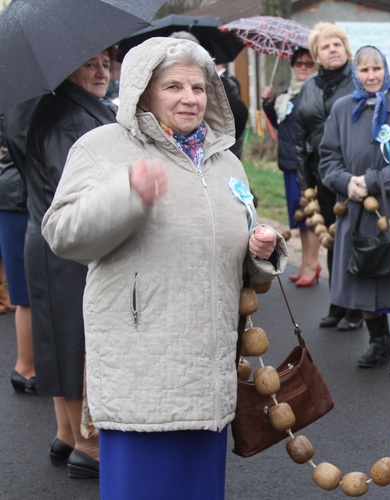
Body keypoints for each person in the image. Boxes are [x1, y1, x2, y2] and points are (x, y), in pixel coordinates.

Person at [41, 37, 287, 499]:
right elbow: (63, 235)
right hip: (142, 368)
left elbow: (241, 250)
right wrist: (127, 195)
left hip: (208, 370)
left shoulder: (224, 160)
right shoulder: (103, 147)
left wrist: (262, 248)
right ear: (143, 91)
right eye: (173, 86)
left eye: (198, 87)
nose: (190, 98)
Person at [23, 48, 118, 477]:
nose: (101, 71)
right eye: (89, 64)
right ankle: (88, 444)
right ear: (67, 68)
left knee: (60, 337)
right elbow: (77, 192)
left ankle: (66, 433)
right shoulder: (70, 117)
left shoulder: (59, 106)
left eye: (105, 62)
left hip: (46, 241)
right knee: (75, 340)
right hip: (67, 245)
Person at [319, 46, 390, 374]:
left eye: (376, 69)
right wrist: (344, 182)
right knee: (363, 278)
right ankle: (377, 340)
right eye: (364, 70)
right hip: (356, 212)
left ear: (386, 69)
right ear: (356, 73)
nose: (371, 76)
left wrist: (372, 180)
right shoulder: (342, 109)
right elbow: (327, 158)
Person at [295, 22, 363, 329]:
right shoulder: (309, 86)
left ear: (347, 50)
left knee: (354, 240)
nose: (332, 49)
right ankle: (337, 303)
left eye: (338, 44)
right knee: (332, 240)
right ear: (317, 56)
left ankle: (357, 308)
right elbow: (301, 133)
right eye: (325, 46)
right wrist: (303, 178)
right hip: (319, 173)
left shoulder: (359, 80)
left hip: (352, 174)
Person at [261, 48, 321, 287]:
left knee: (310, 217)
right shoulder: (288, 95)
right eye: (299, 63)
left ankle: (312, 264)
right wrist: (268, 103)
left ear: (315, 67)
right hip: (288, 164)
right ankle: (308, 263)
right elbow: (282, 125)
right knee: (299, 218)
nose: (303, 67)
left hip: (306, 166)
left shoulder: (313, 93)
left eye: (308, 63)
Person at [1, 99, 37, 394]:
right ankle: (25, 367)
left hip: (18, 194)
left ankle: (28, 366)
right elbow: (19, 136)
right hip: (20, 197)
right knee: (25, 292)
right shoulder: (24, 95)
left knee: (27, 291)